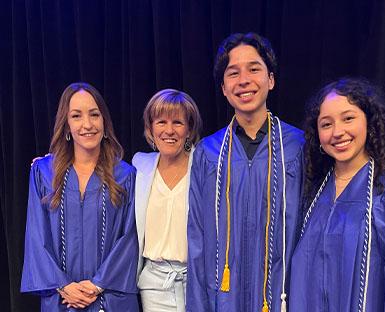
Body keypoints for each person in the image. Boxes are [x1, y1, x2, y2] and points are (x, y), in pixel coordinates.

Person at [289, 77, 385, 311]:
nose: (338, 132)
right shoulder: (315, 192)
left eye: (348, 118)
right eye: (326, 124)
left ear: (369, 122)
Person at [187, 32, 305, 312]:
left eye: (254, 69)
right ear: (224, 88)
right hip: (223, 297)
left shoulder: (299, 147)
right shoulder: (208, 152)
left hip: (282, 297)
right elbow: (197, 239)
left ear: (271, 80)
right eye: (233, 73)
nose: (244, 80)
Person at [21, 82, 139, 311]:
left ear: (104, 122)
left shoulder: (126, 175)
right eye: (76, 116)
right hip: (62, 299)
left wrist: (97, 284)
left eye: (94, 115)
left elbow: (130, 237)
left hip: (111, 299)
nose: (87, 124)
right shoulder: (44, 173)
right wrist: (64, 285)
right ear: (66, 126)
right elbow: (36, 236)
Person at [132, 89, 202, 312]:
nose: (169, 130)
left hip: (197, 282)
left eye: (178, 122)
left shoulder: (203, 165)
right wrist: (51, 163)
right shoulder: (139, 165)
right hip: (154, 284)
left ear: (189, 129)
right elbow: (100, 172)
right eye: (161, 122)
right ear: (151, 128)